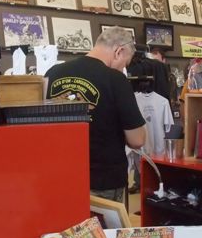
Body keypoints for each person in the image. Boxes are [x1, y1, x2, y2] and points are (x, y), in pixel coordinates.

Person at [44, 27, 146, 204]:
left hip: (60, 175)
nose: (123, 69)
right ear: (119, 51)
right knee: (101, 223)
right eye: (125, 63)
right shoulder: (115, 79)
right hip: (103, 179)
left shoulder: (52, 73)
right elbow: (137, 140)